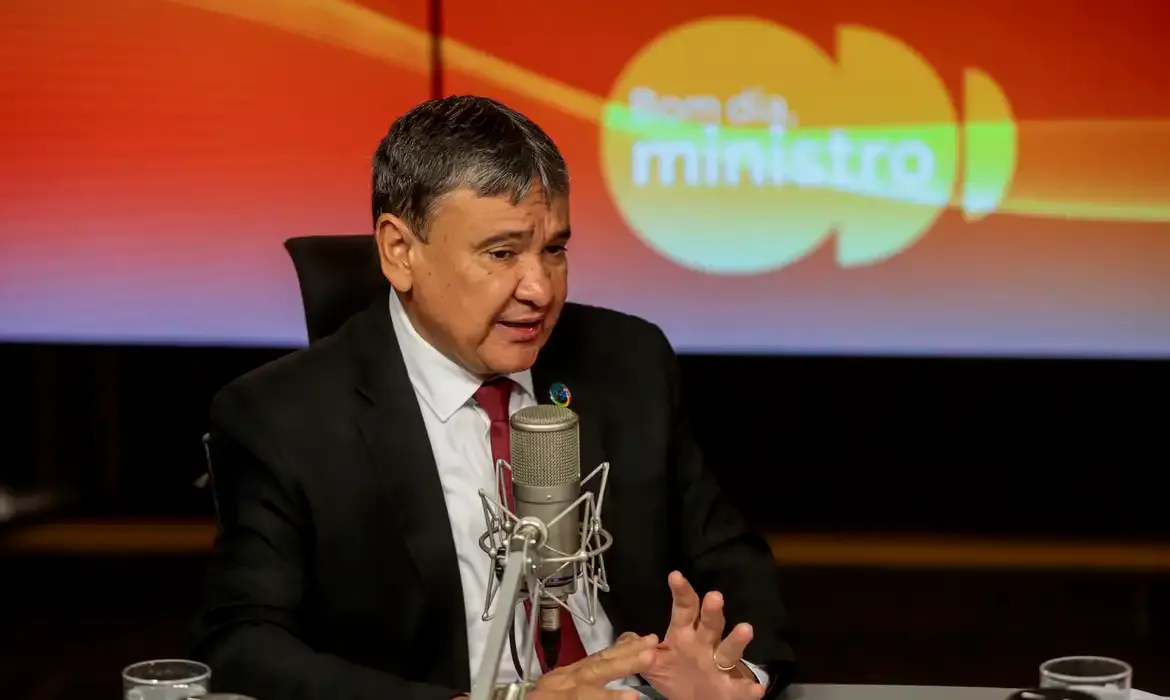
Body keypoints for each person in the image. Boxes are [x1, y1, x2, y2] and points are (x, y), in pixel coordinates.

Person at [191, 95, 794, 700]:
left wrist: (735, 675)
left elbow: (730, 562)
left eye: (553, 250)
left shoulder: (628, 360)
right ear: (400, 252)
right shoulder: (282, 417)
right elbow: (243, 644)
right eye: (501, 253)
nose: (539, 290)